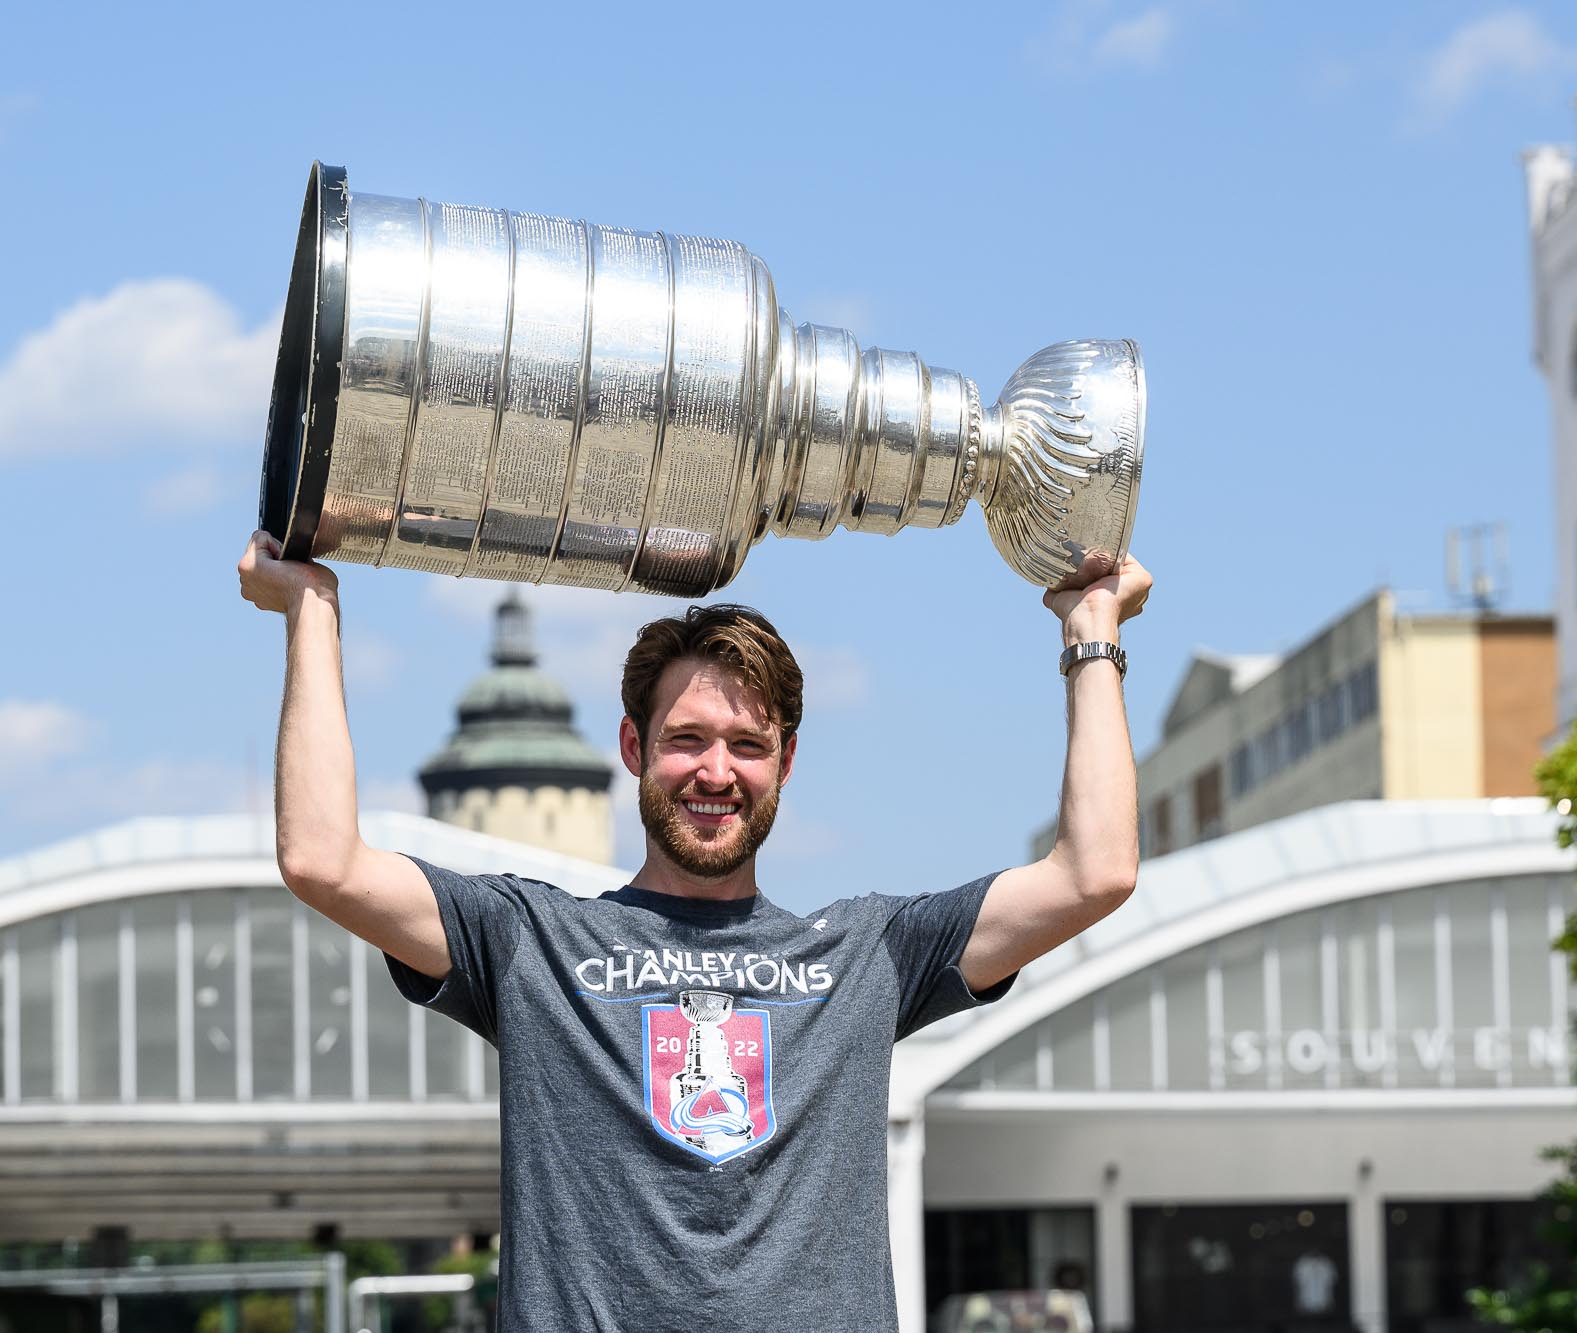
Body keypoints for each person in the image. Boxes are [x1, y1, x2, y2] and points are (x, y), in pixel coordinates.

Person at [236, 531, 1151, 1331]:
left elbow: (1093, 872)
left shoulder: (867, 954)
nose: (716, 771)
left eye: (748, 745)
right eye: (687, 738)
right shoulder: (529, 943)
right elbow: (323, 857)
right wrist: (311, 609)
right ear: (633, 749)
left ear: (785, 762)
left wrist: (1092, 633)